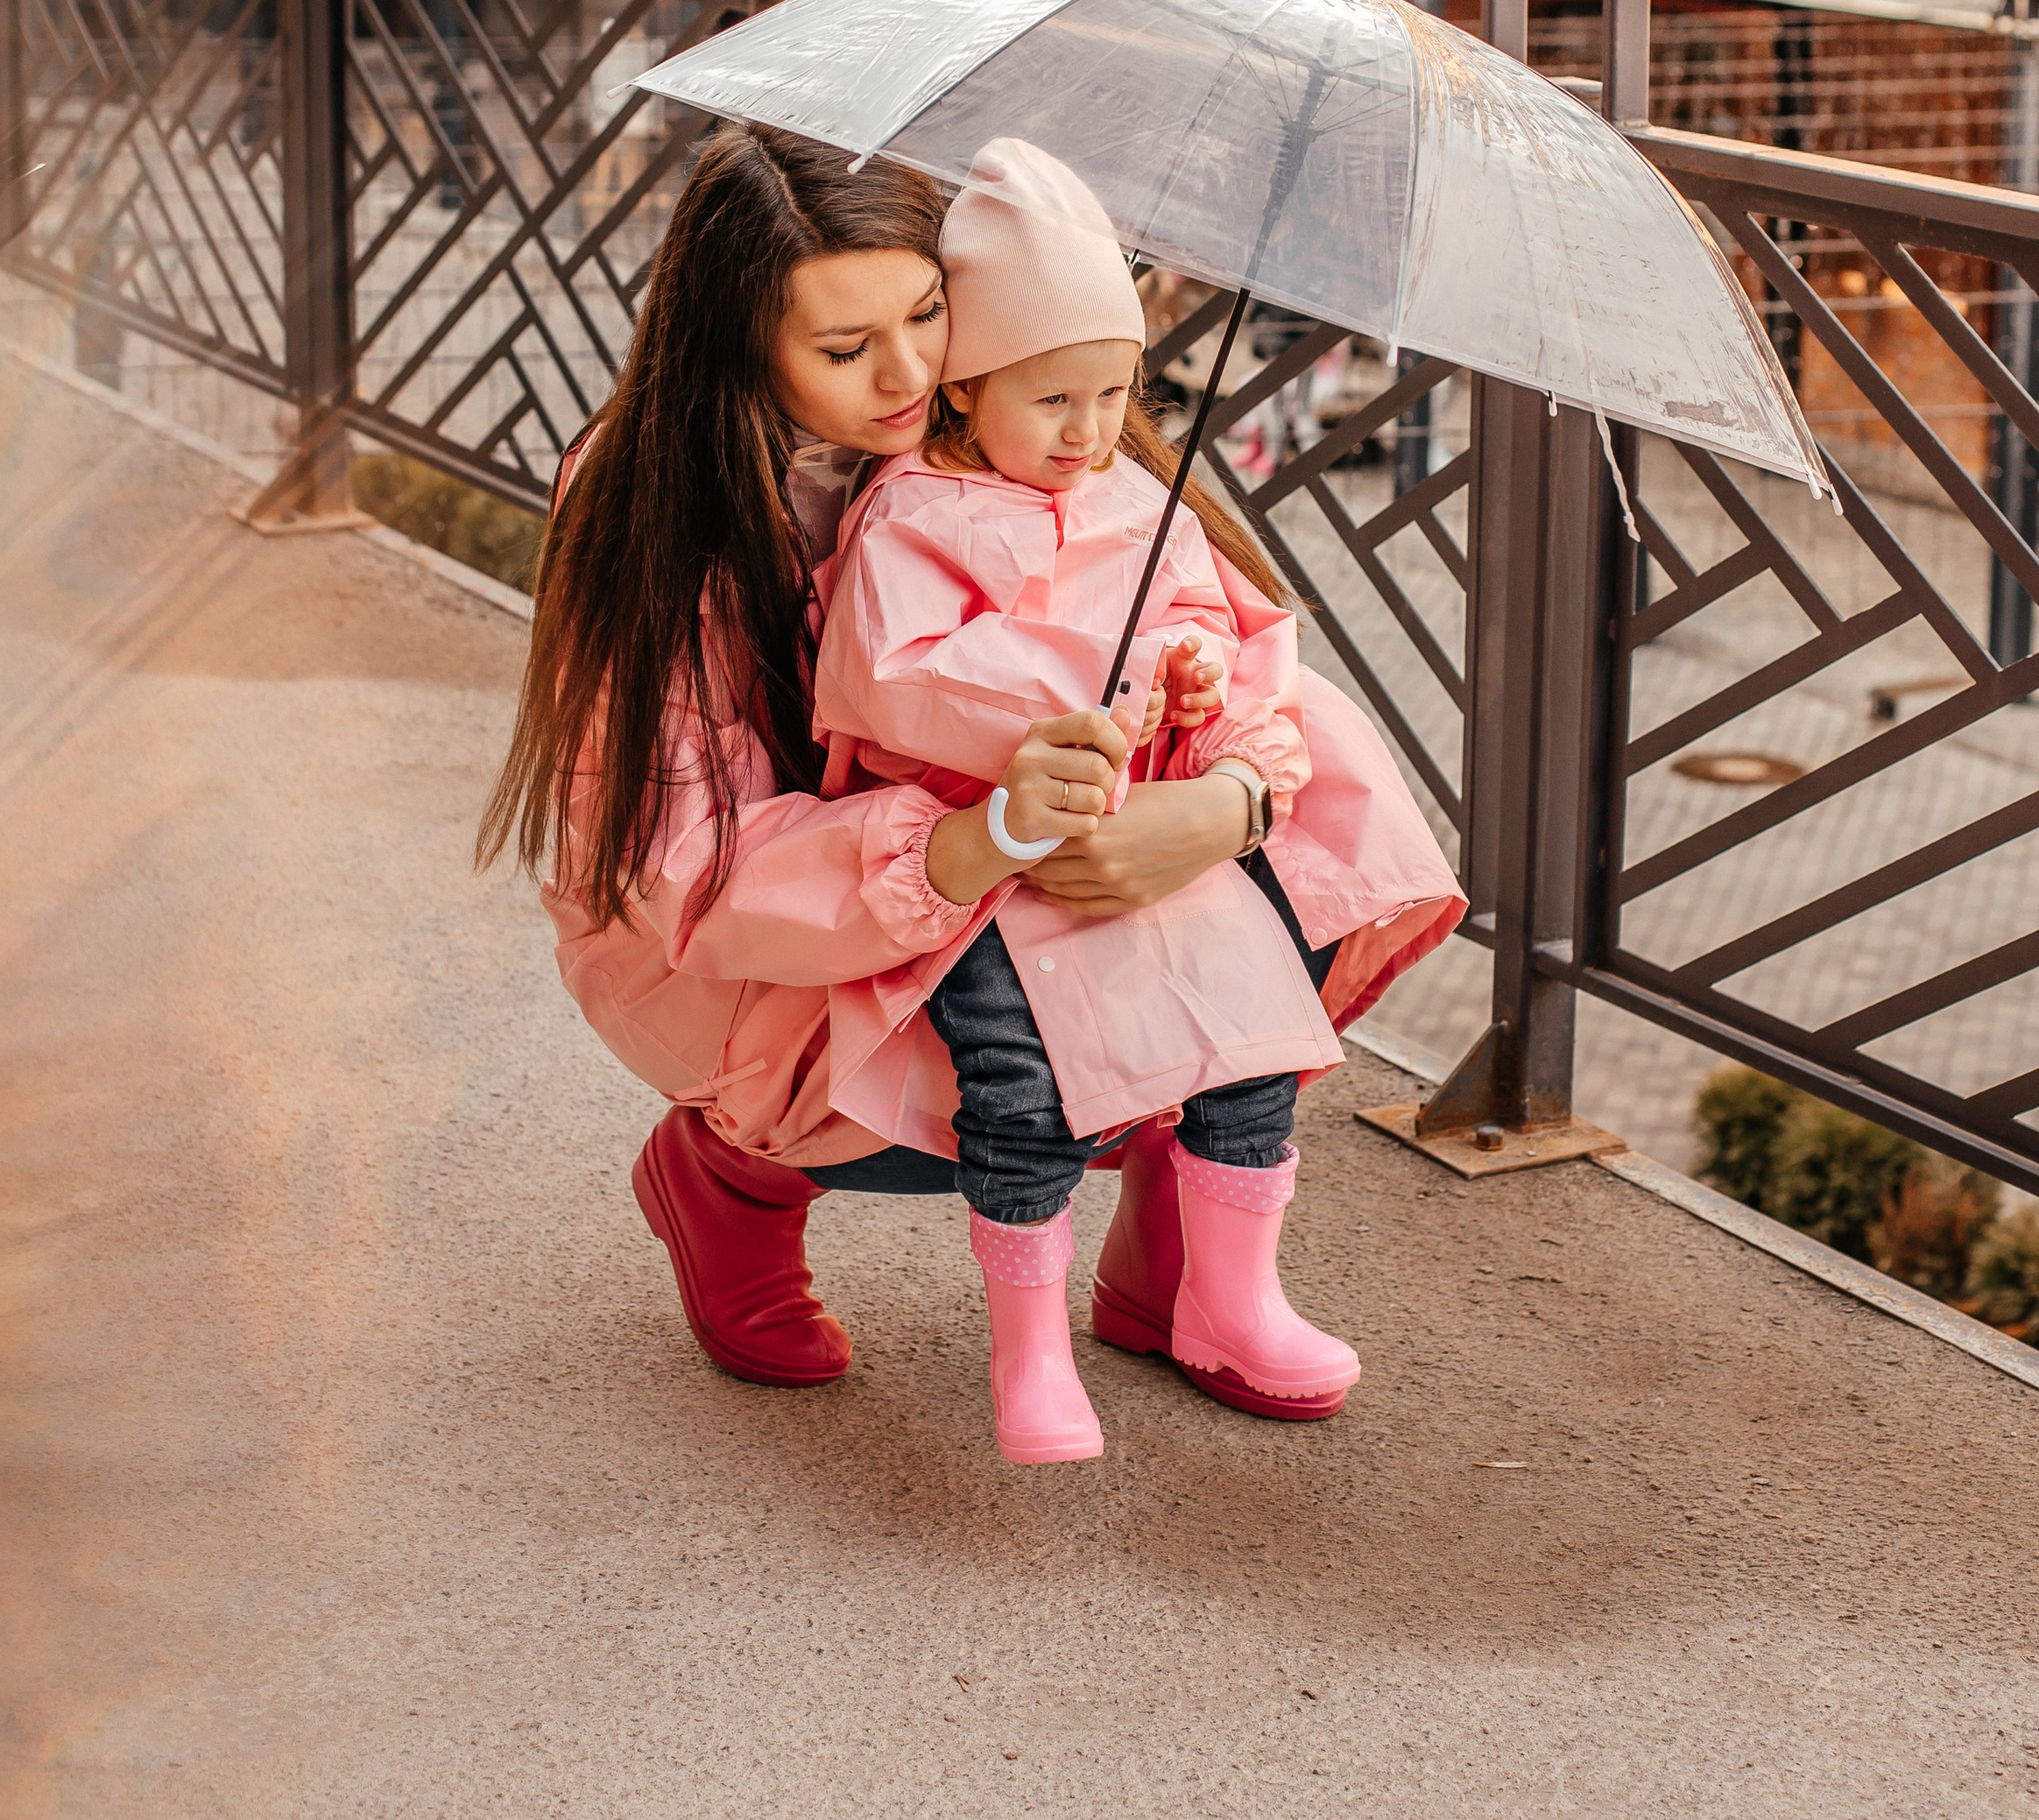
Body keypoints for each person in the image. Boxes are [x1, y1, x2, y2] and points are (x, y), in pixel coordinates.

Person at [480, 123, 1464, 1418]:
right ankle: (727, 1183)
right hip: (800, 900)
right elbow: (685, 852)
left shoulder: (1011, 396)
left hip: (1057, 828)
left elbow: (1230, 630)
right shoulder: (658, 499)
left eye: (928, 311)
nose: (908, 374)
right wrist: (952, 851)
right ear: (739, 350)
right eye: (843, 350)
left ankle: (1183, 1271)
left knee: (1282, 891)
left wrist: (1221, 807)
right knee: (995, 1076)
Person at [813, 139, 1392, 1464]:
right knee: (1019, 1090)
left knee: (1253, 1050)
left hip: (1150, 833)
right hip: (1000, 861)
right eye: (1053, 397)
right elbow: (892, 680)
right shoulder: (916, 514)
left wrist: (1189, 675)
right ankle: (1030, 1354)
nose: (1088, 431)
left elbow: (1209, 618)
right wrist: (1080, 682)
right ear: (968, 394)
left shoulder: (1134, 493)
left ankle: (1236, 1296)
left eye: (1115, 393)